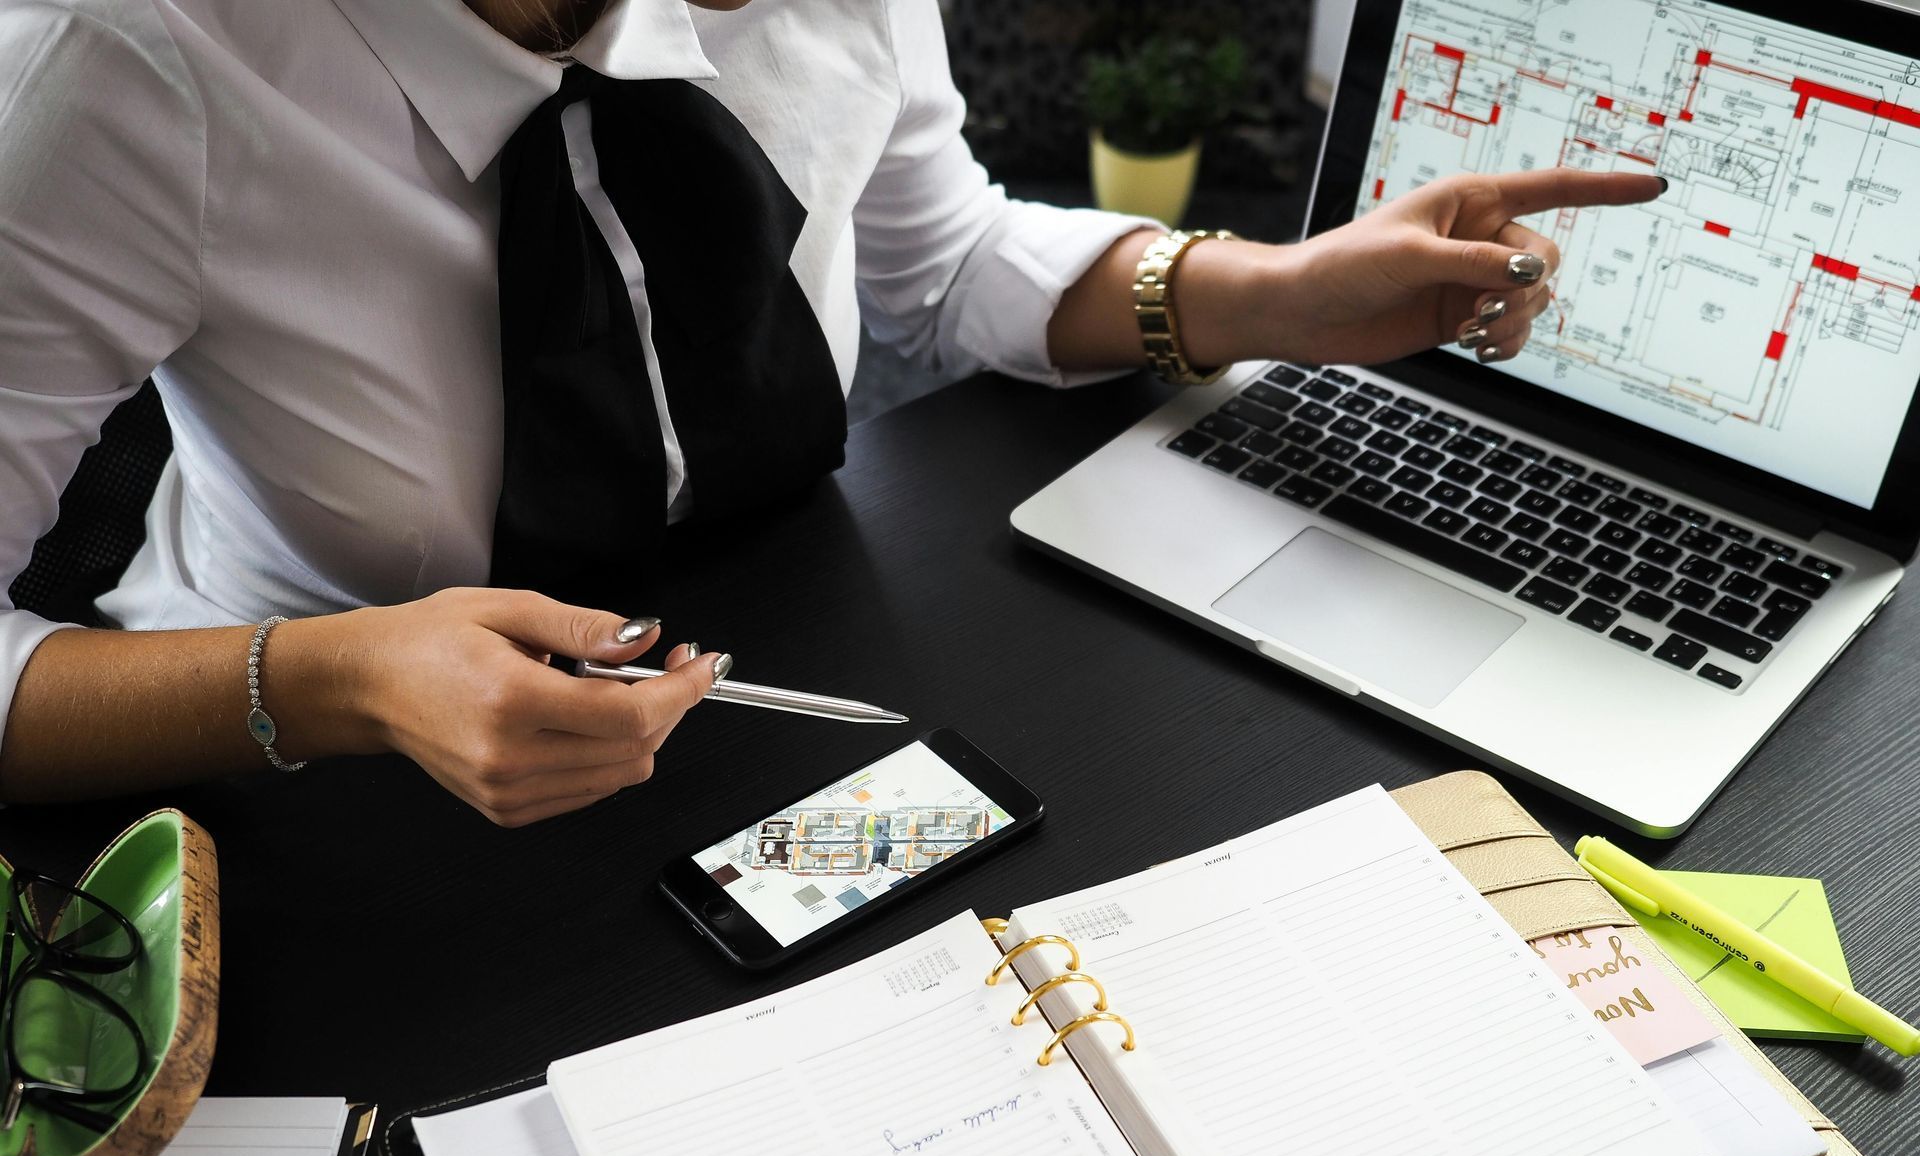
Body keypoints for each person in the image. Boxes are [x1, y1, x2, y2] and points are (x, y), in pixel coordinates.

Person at [0, 0, 1661, 826]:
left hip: (796, 641)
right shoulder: (117, 68)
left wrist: (1261, 293)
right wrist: (343, 680)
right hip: (331, 779)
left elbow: (936, 264)